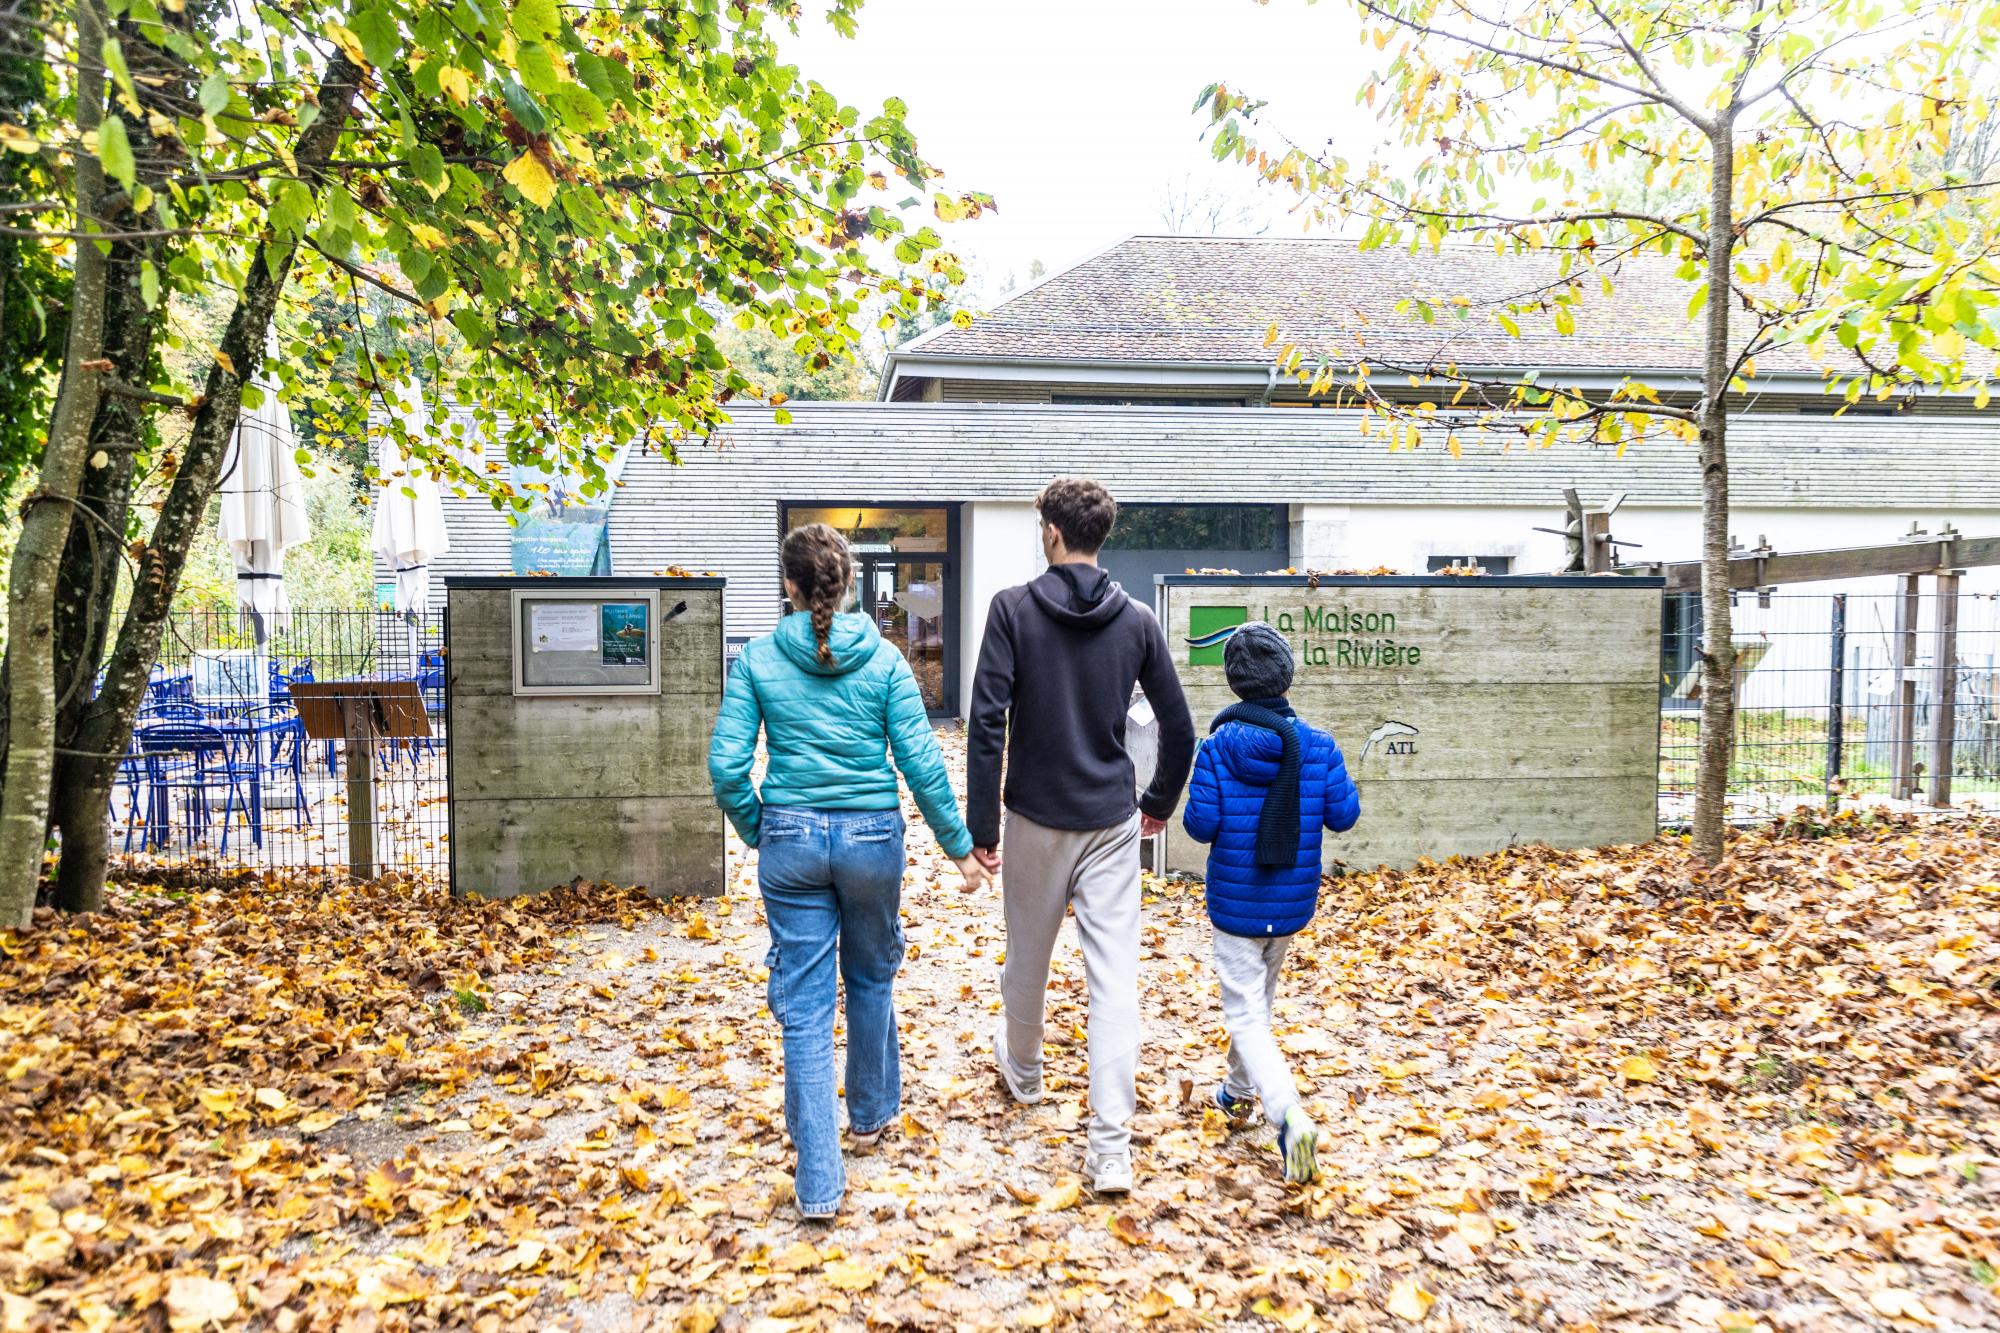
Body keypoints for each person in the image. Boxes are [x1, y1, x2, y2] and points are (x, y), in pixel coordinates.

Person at [708, 523, 987, 1221]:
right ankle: (867, 1116)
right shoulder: (888, 661)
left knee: (803, 1010)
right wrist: (960, 849)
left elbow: (726, 766)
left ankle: (819, 1183)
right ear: (850, 584)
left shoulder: (759, 660)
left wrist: (759, 827)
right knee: (870, 973)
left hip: (792, 839)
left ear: (789, 585)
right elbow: (921, 763)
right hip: (870, 838)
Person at [966, 477, 1197, 1195]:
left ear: (1053, 533)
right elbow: (1180, 726)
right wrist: (1157, 801)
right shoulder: (1136, 621)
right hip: (1110, 820)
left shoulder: (1010, 610)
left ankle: (1027, 1076)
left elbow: (985, 723)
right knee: (1114, 981)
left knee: (1026, 961)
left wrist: (981, 828)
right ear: (1100, 537)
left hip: (1035, 816)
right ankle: (1110, 1150)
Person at [1180, 622, 1360, 1184]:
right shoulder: (1318, 746)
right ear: (1286, 677)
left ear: (1234, 683)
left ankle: (1288, 1115)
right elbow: (1345, 815)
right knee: (1257, 1007)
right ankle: (1236, 1095)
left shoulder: (1216, 748)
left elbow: (1200, 823)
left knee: (1246, 1013)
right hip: (1290, 899)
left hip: (1237, 905)